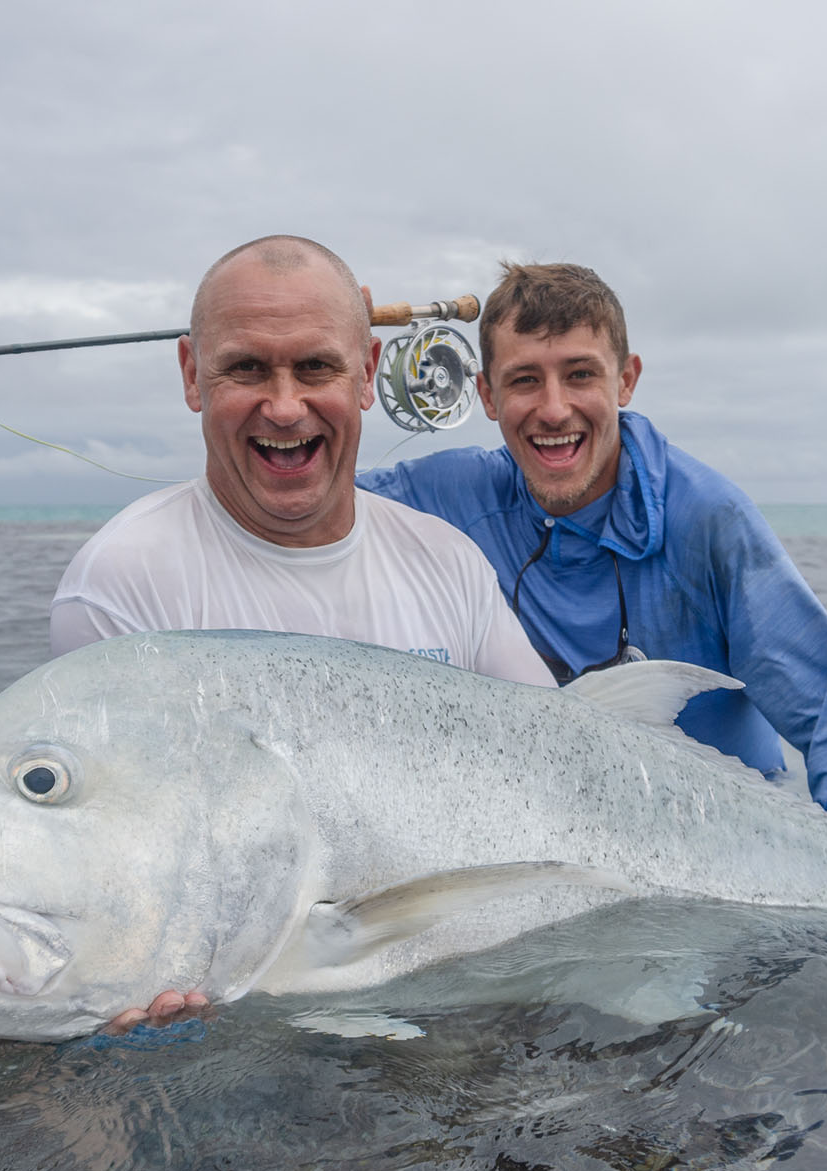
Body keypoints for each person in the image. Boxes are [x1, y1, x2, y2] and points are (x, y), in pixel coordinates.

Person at [358, 261, 827, 912]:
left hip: (736, 860)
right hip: (571, 854)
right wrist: (336, 356)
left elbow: (825, 702)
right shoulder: (454, 498)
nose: (554, 408)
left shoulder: (707, 516)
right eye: (524, 381)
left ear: (626, 380)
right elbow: (300, 492)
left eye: (580, 374)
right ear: (486, 397)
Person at [49, 235, 553, 1032]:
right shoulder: (121, 585)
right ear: (191, 374)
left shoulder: (448, 563)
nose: (284, 407)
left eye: (316, 367)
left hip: (454, 994)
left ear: (367, 374)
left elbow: (566, 767)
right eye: (246, 368)